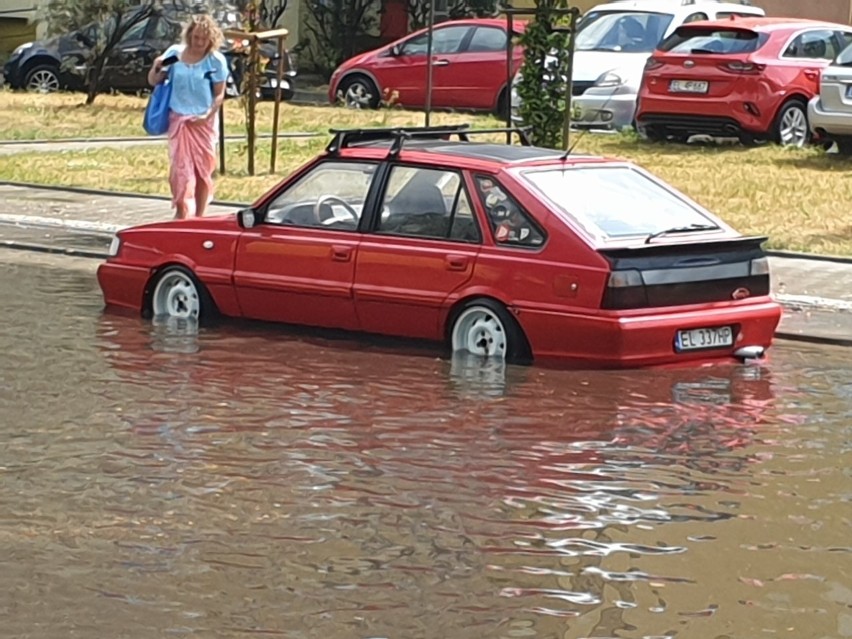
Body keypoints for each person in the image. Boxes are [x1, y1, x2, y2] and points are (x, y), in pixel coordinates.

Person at [147, 14, 228, 219]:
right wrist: (157, 68)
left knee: (203, 171)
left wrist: (208, 114)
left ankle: (199, 215)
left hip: (203, 124)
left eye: (203, 39)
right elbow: (154, 79)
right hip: (179, 120)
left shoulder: (215, 61)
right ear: (189, 35)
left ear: (211, 40)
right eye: (195, 37)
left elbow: (219, 94)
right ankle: (182, 210)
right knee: (180, 171)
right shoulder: (176, 54)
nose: (199, 43)